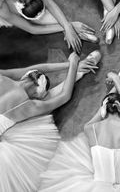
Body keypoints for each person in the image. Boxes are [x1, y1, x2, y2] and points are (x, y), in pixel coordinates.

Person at [0, 50, 101, 192]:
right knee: (45, 108)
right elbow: (64, 96)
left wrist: (68, 64)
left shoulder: (2, 77)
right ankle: (79, 72)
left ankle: (79, 71)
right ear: (36, 94)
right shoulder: (28, 105)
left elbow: (37, 68)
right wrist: (72, 63)